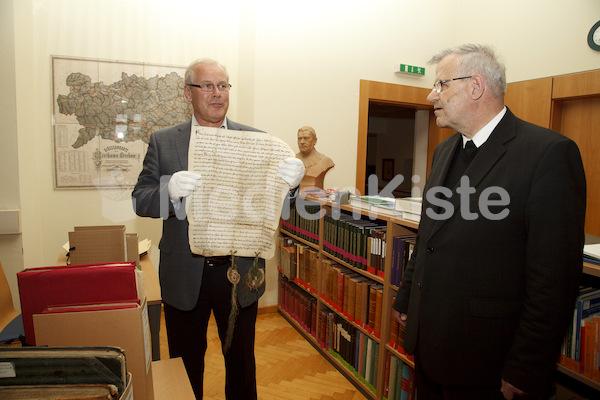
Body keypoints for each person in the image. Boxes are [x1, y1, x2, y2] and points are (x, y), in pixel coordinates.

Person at [392, 44, 586, 400]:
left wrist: (526, 368)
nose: (430, 94)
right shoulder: (444, 151)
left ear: (475, 86)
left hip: (488, 360)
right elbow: (428, 238)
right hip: (430, 345)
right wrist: (407, 299)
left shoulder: (547, 154)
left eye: (441, 85)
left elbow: (553, 280)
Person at [132, 58, 304, 400]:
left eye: (223, 85)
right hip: (184, 274)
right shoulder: (164, 142)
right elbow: (140, 199)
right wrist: (168, 190)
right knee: (185, 366)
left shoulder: (256, 141)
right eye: (207, 86)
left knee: (241, 366)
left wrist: (295, 187)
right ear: (187, 92)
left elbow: (281, 207)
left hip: (239, 275)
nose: (217, 94)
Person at [295, 126, 334, 191]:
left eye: (306, 138)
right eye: (299, 138)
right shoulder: (292, 159)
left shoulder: (325, 161)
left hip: (314, 198)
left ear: (315, 141)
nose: (302, 142)